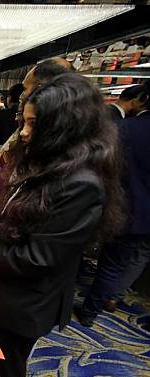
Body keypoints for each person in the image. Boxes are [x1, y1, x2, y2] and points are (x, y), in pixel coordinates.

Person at [0, 73, 124, 377]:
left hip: (23, 303)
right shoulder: (47, 163)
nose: (24, 133)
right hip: (0, 289)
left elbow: (39, 258)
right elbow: (10, 214)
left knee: (3, 376)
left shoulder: (82, 184)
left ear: (64, 127)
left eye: (33, 124)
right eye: (24, 122)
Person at [75, 90, 150, 326]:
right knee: (133, 258)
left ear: (143, 99)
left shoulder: (126, 129)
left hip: (120, 205)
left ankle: (90, 309)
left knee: (110, 261)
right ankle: (111, 298)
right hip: (145, 214)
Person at [0, 83, 24, 150]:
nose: (16, 118)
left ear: (9, 98)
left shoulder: (0, 114)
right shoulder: (30, 113)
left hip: (1, 152)